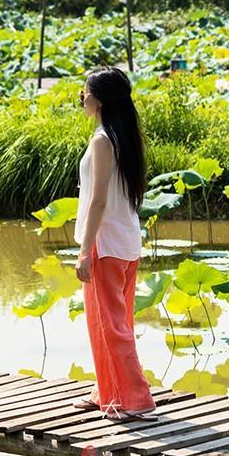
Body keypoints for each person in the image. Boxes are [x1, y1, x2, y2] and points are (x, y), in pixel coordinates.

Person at [73, 66, 157, 421]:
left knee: (110, 324)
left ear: (100, 99)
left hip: (105, 243)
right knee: (111, 321)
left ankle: (137, 400)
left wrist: (84, 250)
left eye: (85, 92)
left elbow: (98, 201)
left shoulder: (103, 140)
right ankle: (107, 391)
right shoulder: (122, 136)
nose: (82, 98)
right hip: (126, 240)